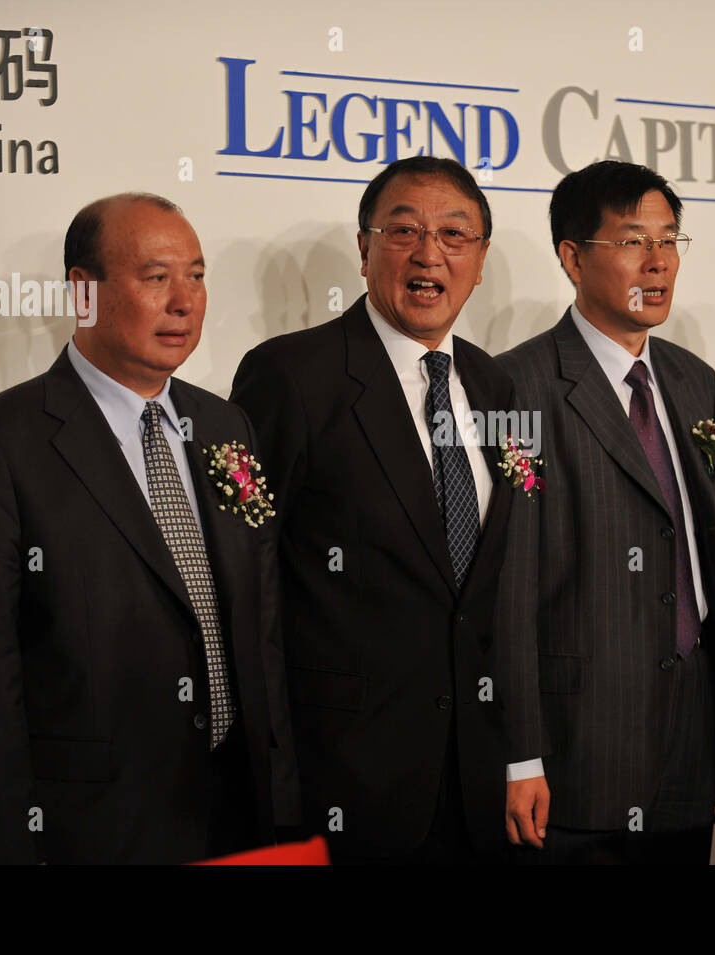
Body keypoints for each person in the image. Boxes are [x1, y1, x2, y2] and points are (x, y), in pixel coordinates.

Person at [0, 193, 299, 864]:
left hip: (242, 818)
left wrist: (283, 809)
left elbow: (261, 628)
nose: (184, 300)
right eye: (156, 277)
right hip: (91, 830)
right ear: (83, 292)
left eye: (198, 275)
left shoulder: (225, 426)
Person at [231, 157, 515, 863]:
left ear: (479, 262)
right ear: (364, 249)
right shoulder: (290, 375)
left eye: (455, 234)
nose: (428, 253)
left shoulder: (494, 382)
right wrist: (275, 785)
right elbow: (250, 588)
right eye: (404, 230)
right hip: (346, 782)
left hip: (479, 785)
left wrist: (522, 753)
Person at [496, 160, 715, 864]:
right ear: (573, 257)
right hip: (577, 755)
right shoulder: (519, 384)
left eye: (670, 240)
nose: (658, 261)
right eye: (633, 241)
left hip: (687, 750)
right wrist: (521, 756)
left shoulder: (691, 379)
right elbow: (509, 589)